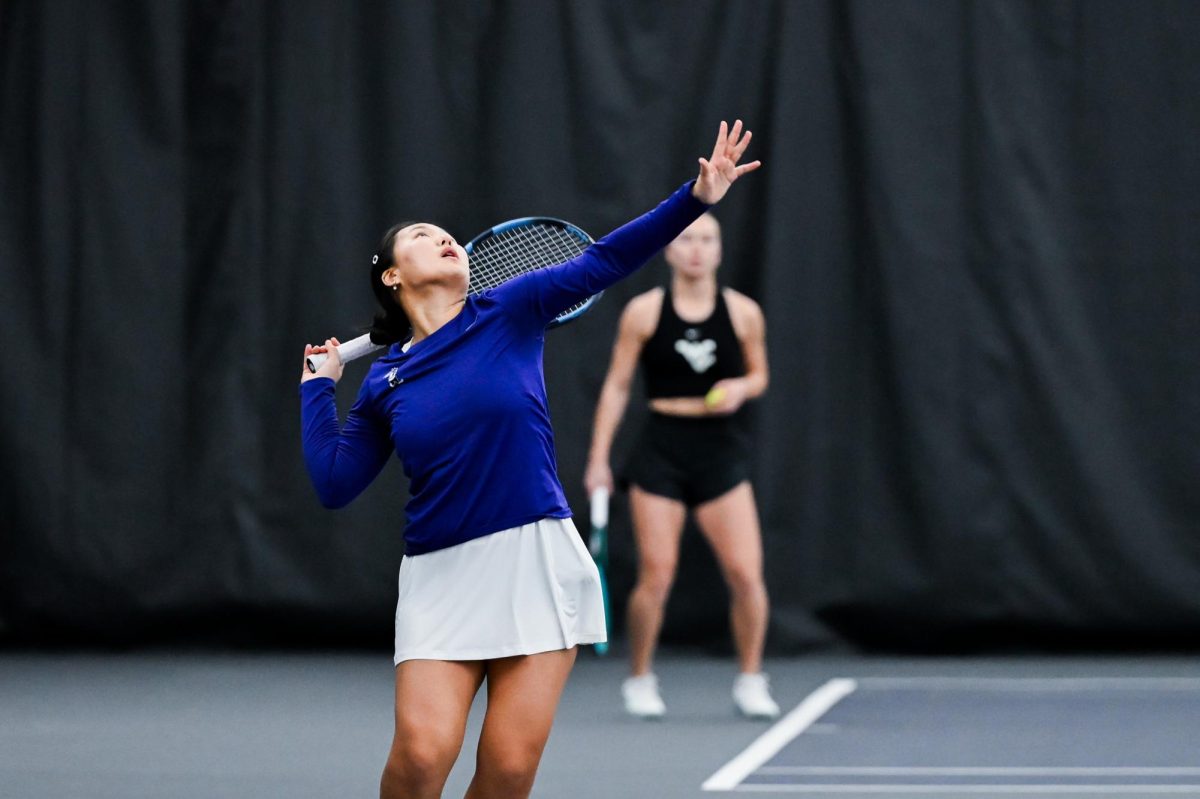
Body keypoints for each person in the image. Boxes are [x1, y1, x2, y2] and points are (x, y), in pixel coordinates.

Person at [299, 121, 759, 799]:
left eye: (446, 233)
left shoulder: (511, 308)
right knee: (423, 757)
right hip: (440, 579)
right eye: (422, 235)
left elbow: (606, 258)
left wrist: (695, 199)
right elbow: (335, 483)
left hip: (537, 562)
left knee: (508, 771)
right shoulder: (382, 382)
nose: (444, 237)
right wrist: (317, 390)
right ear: (392, 274)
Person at [583, 203, 776, 721]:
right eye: (687, 239)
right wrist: (599, 459)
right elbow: (617, 386)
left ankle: (751, 679)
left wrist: (741, 388)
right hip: (660, 450)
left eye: (707, 240)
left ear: (719, 251)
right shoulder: (644, 312)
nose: (696, 250)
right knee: (657, 574)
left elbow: (760, 375)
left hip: (719, 450)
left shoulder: (743, 313)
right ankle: (640, 678)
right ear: (669, 250)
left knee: (746, 574)